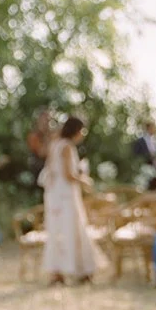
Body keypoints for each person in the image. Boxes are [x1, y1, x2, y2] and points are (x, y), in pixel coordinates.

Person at [41, 115, 103, 285]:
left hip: (54, 195)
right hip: (66, 196)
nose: (83, 134)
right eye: (82, 130)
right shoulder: (67, 147)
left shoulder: (54, 145)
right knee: (72, 230)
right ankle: (81, 270)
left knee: (57, 231)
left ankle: (57, 272)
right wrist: (84, 180)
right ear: (75, 130)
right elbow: (69, 175)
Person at [26, 109, 54, 179]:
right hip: (39, 171)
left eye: (48, 120)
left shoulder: (51, 135)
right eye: (45, 120)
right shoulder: (33, 136)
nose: (47, 123)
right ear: (39, 120)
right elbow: (42, 153)